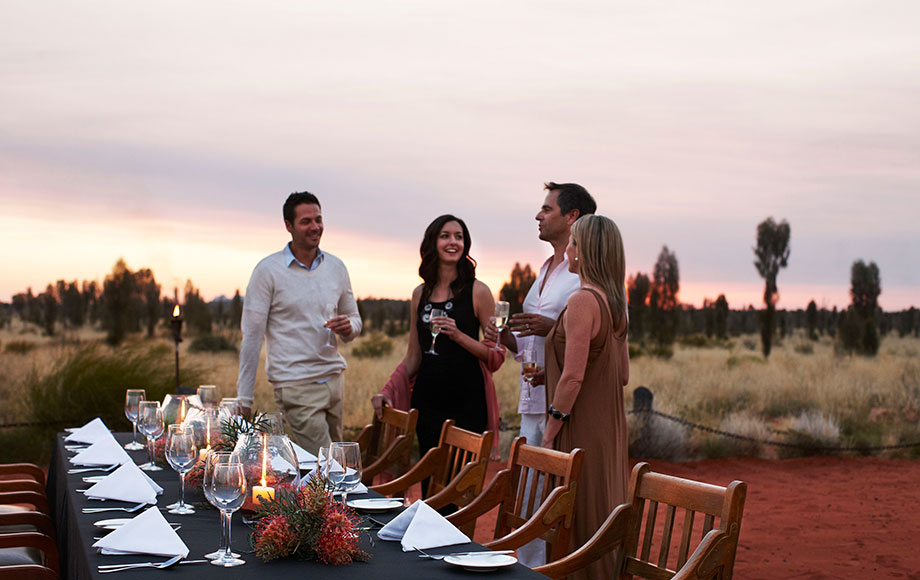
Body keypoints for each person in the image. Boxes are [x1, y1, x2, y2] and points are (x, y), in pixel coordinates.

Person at [491, 182, 596, 568]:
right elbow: (529, 349)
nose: (539, 215)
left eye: (546, 209)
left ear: (572, 217)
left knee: (556, 495)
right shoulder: (545, 271)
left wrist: (549, 327)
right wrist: (507, 338)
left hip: (562, 403)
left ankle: (555, 569)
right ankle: (529, 569)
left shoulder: (585, 276)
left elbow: (595, 342)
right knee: (529, 493)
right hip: (532, 397)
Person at [236, 191, 362, 454]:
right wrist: (244, 399)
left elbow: (355, 320)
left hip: (334, 381)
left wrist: (349, 327)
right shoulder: (267, 271)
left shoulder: (336, 267)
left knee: (335, 463)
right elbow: (252, 336)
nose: (315, 227)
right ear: (288, 226)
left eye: (318, 219)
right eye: (306, 221)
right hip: (295, 386)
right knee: (328, 466)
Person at [372, 214, 502, 461]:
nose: (453, 242)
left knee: (458, 485)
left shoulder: (478, 291)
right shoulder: (419, 294)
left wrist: (458, 336)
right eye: (445, 236)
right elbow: (413, 356)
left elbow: (494, 356)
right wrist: (387, 391)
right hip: (427, 402)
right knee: (429, 483)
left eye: (459, 237)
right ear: (433, 242)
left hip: (468, 401)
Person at [542, 214, 630, 580]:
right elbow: (622, 375)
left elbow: (573, 377)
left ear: (587, 251)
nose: (568, 251)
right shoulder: (614, 303)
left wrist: (550, 431)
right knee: (601, 512)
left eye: (574, 243)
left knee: (572, 518)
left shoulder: (581, 301)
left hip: (577, 427)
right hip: (607, 429)